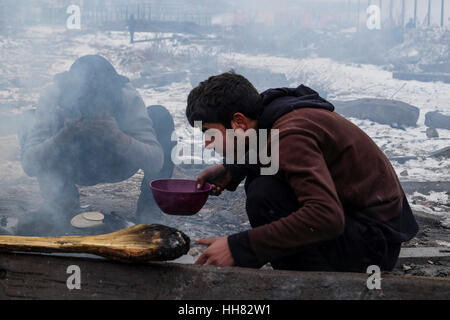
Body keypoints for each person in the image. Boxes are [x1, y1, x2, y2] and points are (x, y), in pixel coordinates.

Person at [186, 72, 419, 272]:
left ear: (238, 122)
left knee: (265, 194)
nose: (208, 143)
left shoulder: (291, 133)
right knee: (266, 183)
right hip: (366, 229)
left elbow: (326, 216)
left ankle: (311, 286)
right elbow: (270, 149)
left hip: (373, 249)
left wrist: (239, 247)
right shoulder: (276, 116)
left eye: (209, 133)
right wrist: (232, 169)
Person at [18, 55, 175, 236]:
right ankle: (61, 202)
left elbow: (156, 162)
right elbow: (30, 165)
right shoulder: (55, 96)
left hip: (117, 164)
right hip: (71, 165)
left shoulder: (126, 96)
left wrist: (116, 136)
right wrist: (63, 136)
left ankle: (150, 206)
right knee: (27, 119)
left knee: (159, 115)